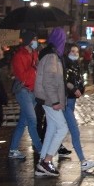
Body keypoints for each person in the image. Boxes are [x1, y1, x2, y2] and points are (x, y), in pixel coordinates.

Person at [33, 28, 71, 177]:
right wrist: (56, 101)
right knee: (62, 128)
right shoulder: (52, 57)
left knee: (52, 129)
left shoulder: (50, 55)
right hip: (50, 100)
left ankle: (43, 161)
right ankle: (46, 161)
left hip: (47, 99)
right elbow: (49, 81)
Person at [8, 30, 43, 160]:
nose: (36, 41)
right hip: (23, 91)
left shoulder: (34, 53)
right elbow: (21, 76)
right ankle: (40, 148)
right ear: (28, 40)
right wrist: (34, 67)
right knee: (32, 120)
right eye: (34, 39)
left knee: (23, 122)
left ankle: (13, 149)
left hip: (33, 91)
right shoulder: (18, 56)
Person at [64, 44, 94, 173]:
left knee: (56, 132)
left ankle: (44, 159)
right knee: (74, 131)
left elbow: (79, 80)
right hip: (64, 100)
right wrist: (73, 88)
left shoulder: (77, 64)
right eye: (72, 51)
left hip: (71, 100)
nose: (74, 53)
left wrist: (80, 89)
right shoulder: (64, 64)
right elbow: (64, 81)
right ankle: (83, 161)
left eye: (76, 51)